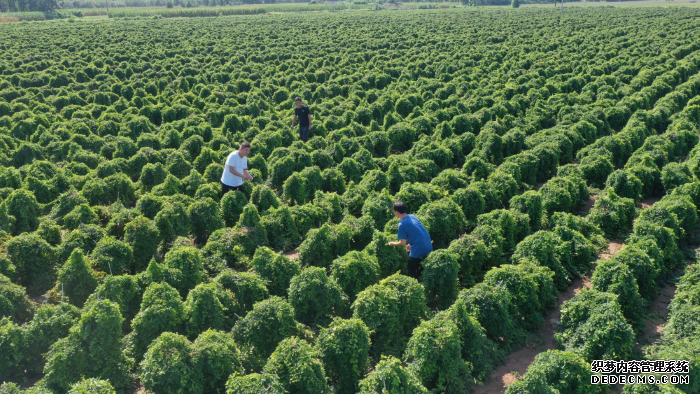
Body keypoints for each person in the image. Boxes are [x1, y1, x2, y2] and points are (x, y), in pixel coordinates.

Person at [388, 201, 433, 279]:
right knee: (422, 268)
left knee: (411, 268)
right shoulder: (412, 216)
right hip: (428, 246)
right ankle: (422, 278)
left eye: (393, 210)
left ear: (397, 212)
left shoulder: (402, 224)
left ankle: (415, 283)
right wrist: (410, 244)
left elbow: (402, 243)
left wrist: (392, 243)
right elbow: (417, 232)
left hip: (419, 249)